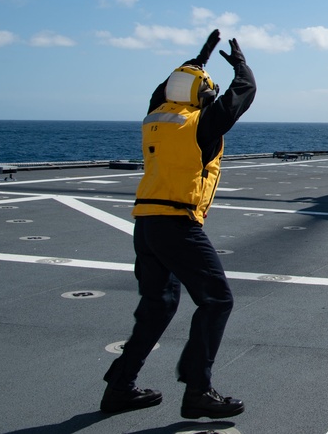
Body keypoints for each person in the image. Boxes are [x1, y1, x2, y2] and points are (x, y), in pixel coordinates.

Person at [100, 29, 256, 419]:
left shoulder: (155, 116)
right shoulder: (202, 123)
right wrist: (240, 62)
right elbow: (246, 90)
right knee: (217, 299)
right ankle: (198, 390)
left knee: (159, 304)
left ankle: (121, 386)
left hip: (147, 224)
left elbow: (163, 90)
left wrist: (196, 61)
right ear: (202, 95)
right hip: (177, 224)